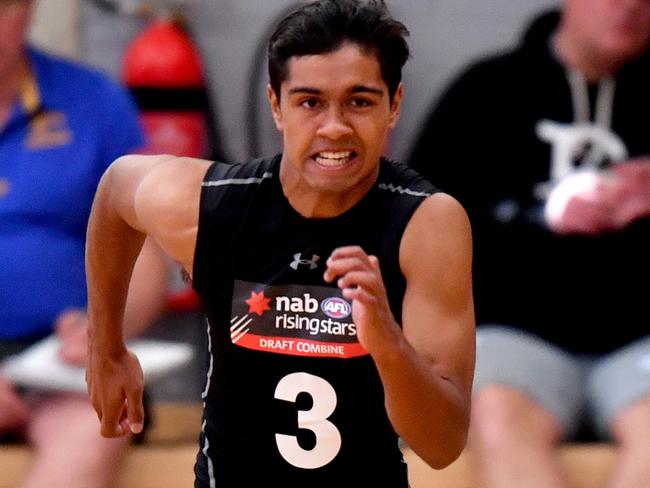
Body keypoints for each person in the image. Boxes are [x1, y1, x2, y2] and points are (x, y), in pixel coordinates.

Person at [84, 1, 476, 486]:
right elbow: (116, 189)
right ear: (276, 105)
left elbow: (442, 446)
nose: (334, 127)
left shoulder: (425, 222)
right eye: (310, 102)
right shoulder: (213, 206)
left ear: (394, 105)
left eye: (359, 101)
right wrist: (105, 348)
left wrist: (388, 344)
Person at [408, 1, 650, 487]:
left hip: (638, 339)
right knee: (499, 415)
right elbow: (418, 226)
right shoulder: (489, 90)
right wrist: (541, 216)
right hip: (516, 333)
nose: (630, 6)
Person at [0, 1, 170, 487]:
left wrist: (104, 331)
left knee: (101, 416)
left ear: (28, 9)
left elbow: (144, 253)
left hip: (64, 361)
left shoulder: (94, 100)